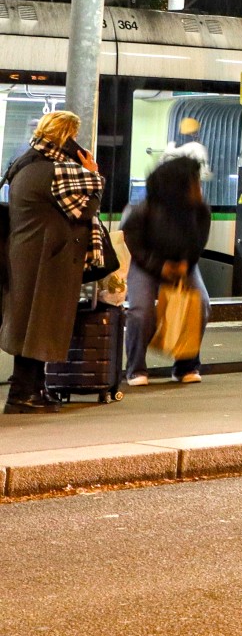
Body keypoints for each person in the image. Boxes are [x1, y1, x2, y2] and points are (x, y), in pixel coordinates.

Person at [2, 112, 100, 413]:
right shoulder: (54, 171)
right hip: (44, 259)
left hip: (33, 255)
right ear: (64, 137)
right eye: (73, 137)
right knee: (37, 326)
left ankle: (33, 389)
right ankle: (23, 394)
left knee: (33, 325)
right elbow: (85, 208)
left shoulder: (26, 163)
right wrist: (92, 174)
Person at [120, 154, 211, 386]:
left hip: (182, 264)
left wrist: (185, 263)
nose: (199, 187)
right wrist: (161, 266)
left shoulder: (200, 210)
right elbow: (132, 245)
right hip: (145, 264)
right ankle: (135, 369)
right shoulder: (142, 210)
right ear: (178, 186)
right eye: (194, 181)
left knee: (200, 303)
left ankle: (186, 365)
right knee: (141, 311)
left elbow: (198, 243)